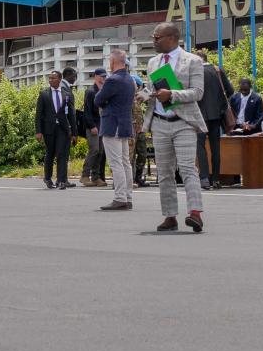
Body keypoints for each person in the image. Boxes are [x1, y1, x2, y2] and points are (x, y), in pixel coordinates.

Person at [141, 22, 206, 232]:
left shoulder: (193, 61)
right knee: (164, 172)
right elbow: (151, 88)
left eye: (156, 37)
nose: (153, 41)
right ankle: (170, 216)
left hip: (184, 122)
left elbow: (198, 92)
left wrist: (172, 94)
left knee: (187, 168)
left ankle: (195, 213)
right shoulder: (153, 62)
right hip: (159, 122)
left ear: (171, 38)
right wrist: (144, 95)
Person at [95, 51, 137, 211]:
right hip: (125, 124)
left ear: (113, 61)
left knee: (116, 163)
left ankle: (120, 198)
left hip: (112, 124)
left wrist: (105, 99)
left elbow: (98, 99)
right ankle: (128, 197)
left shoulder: (113, 80)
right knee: (126, 162)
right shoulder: (130, 79)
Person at [195, 48, 235, 189]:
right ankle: (216, 179)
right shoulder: (218, 70)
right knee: (215, 147)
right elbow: (230, 91)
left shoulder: (195, 72)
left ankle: (204, 178)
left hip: (199, 114)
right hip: (216, 115)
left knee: (200, 145)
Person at [34, 69, 76, 189]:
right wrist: (38, 131)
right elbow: (39, 114)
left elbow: (71, 114)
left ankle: (61, 181)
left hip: (63, 129)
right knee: (50, 153)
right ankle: (47, 178)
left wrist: (74, 132)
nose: (50, 80)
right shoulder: (44, 94)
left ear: (60, 79)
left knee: (62, 154)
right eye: (50, 78)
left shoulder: (66, 94)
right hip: (49, 129)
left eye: (53, 78)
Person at [78, 68, 108, 187]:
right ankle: (85, 175)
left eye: (105, 76)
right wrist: (91, 126)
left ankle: (96, 177)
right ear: (95, 76)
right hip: (93, 126)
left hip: (103, 125)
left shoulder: (105, 90)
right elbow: (87, 111)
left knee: (100, 151)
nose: (103, 78)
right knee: (94, 149)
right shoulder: (90, 91)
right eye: (101, 76)